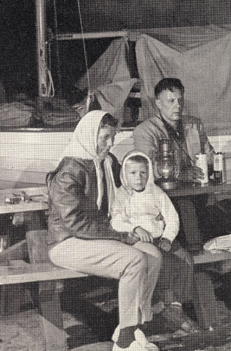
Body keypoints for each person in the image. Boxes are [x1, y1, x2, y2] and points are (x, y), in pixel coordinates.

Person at [46, 110, 161, 351]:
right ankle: (124, 341)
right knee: (134, 260)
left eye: (113, 138)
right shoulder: (69, 170)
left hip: (97, 236)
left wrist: (136, 225)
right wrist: (121, 237)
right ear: (89, 135)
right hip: (67, 243)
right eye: (105, 138)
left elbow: (124, 199)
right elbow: (75, 223)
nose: (109, 145)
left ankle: (134, 326)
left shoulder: (106, 163)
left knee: (153, 255)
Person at [111, 150, 196, 333]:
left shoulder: (155, 192)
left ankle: (176, 304)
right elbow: (116, 219)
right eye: (132, 173)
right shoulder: (122, 194)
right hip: (136, 240)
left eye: (143, 172)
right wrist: (134, 228)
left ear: (149, 173)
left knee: (184, 259)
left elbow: (172, 217)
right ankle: (158, 305)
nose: (138, 178)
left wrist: (167, 236)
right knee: (159, 261)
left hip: (160, 238)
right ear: (124, 175)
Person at [133, 78, 214, 251]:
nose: (178, 105)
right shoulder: (145, 131)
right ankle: (196, 254)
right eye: (171, 101)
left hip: (198, 191)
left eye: (180, 100)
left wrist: (210, 164)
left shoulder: (194, 125)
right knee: (187, 208)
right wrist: (179, 174)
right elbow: (146, 169)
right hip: (166, 197)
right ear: (158, 103)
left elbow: (210, 156)